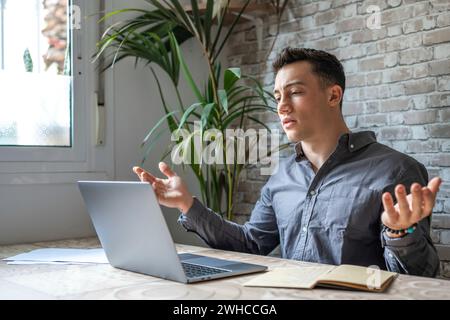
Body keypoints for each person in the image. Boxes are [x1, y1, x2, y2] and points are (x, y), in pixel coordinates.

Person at [133, 47, 442, 277]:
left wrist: (400, 234)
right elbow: (252, 245)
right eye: (277, 95)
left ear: (334, 95)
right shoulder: (283, 175)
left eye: (294, 92)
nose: (281, 106)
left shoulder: (397, 171)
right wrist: (188, 205)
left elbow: (419, 280)